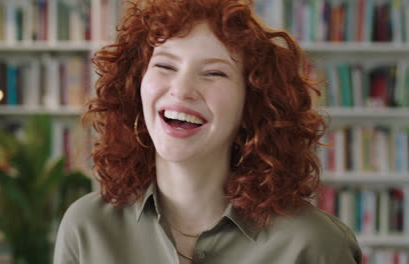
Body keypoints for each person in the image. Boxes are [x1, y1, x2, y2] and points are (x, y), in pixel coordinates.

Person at [53, 0, 362, 263]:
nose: (182, 89)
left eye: (214, 72)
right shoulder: (86, 227)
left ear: (253, 104)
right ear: (136, 86)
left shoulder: (315, 245)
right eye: (165, 66)